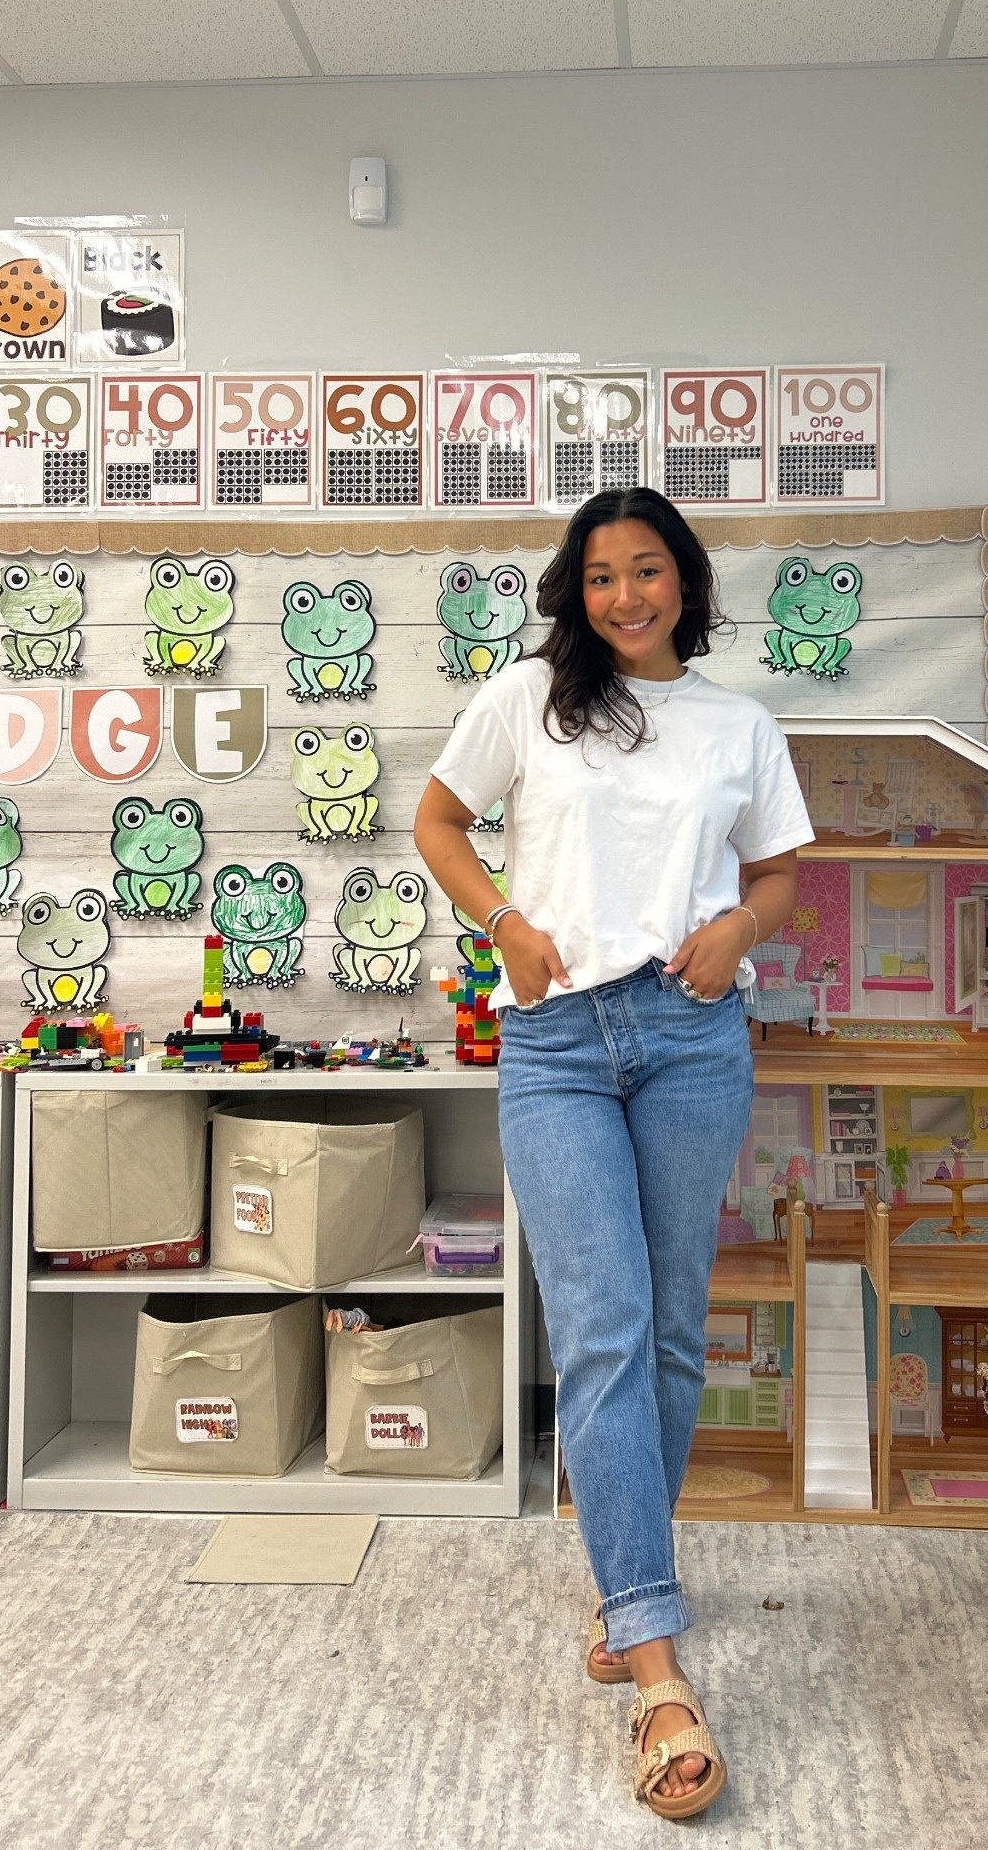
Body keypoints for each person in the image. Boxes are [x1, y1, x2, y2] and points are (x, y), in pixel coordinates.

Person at [414, 488, 812, 1820]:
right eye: (600, 575)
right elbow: (435, 822)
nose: (625, 595)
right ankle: (656, 1664)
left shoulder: (739, 725)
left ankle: (626, 1577)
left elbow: (778, 878)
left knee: (677, 1333)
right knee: (602, 1326)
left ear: (684, 583)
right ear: (574, 590)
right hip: (560, 1043)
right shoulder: (527, 697)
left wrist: (738, 937)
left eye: (648, 572)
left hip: (695, 1035)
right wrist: (504, 924)